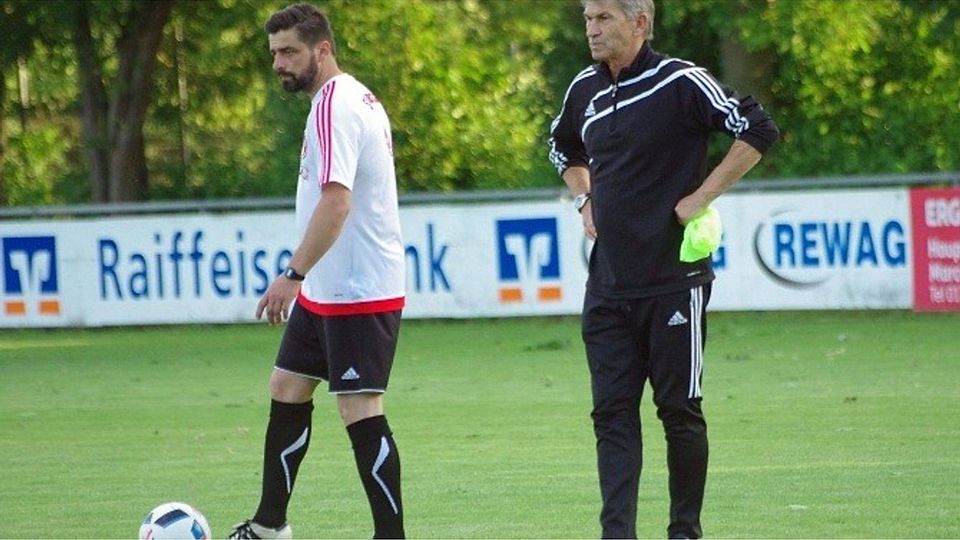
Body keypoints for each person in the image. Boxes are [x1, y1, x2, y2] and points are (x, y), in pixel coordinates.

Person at [548, 0, 779, 538]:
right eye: (587, 18)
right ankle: (617, 533)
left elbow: (757, 127)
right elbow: (561, 147)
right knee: (611, 416)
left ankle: (684, 532)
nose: (592, 28)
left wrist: (702, 195)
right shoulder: (584, 88)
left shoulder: (681, 81)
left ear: (639, 22)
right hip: (607, 287)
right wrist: (583, 199)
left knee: (679, 412)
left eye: (604, 18)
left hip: (674, 282)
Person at [229, 4, 406, 539]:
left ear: (322, 49)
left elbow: (337, 202)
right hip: (329, 288)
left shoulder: (336, 105)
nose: (280, 63)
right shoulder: (342, 99)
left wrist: (293, 273)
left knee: (359, 409)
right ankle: (269, 526)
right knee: (286, 385)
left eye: (290, 52)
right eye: (275, 53)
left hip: (357, 287)